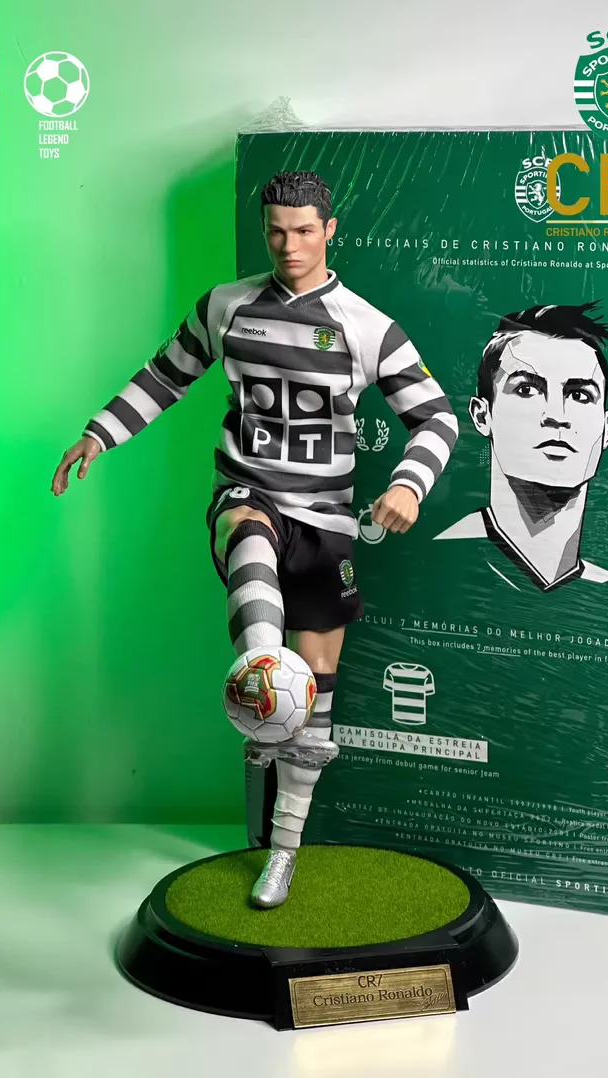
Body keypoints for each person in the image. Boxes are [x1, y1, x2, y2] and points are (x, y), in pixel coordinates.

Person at [52, 171, 457, 907]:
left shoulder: (368, 327)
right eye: (275, 230)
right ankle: (264, 678)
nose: (288, 245)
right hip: (249, 492)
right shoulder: (226, 306)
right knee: (247, 536)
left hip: (327, 521)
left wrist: (408, 486)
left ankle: (283, 850)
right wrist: (99, 433)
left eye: (303, 231)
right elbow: (165, 376)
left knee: (317, 703)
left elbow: (437, 417)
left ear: (329, 231)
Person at [434, 302, 608, 591]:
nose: (556, 415)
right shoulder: (439, 564)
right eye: (527, 390)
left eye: (579, 395)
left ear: (607, 428)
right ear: (482, 416)